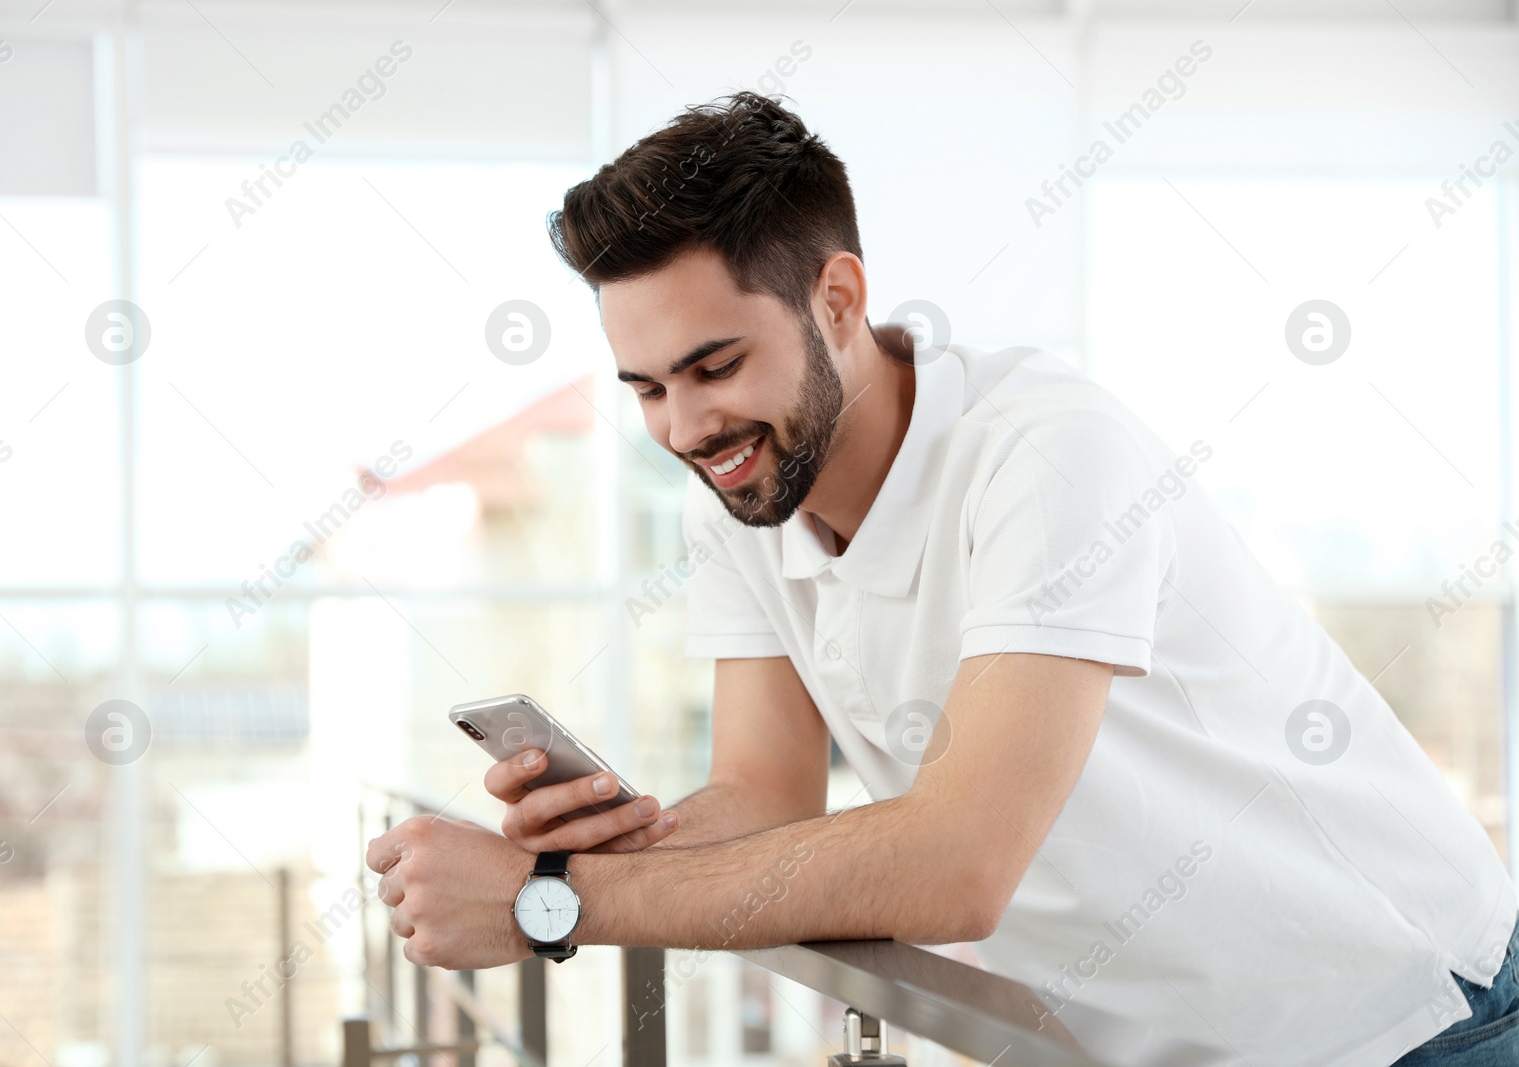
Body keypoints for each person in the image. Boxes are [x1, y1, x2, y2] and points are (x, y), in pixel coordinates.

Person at [366, 91, 1518, 1066]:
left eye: (715, 364)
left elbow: (958, 861)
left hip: (1407, 1011)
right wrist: (584, 849)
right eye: (646, 387)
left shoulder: (1046, 450)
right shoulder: (740, 492)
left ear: (838, 298)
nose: (686, 424)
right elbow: (764, 795)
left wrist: (544, 906)